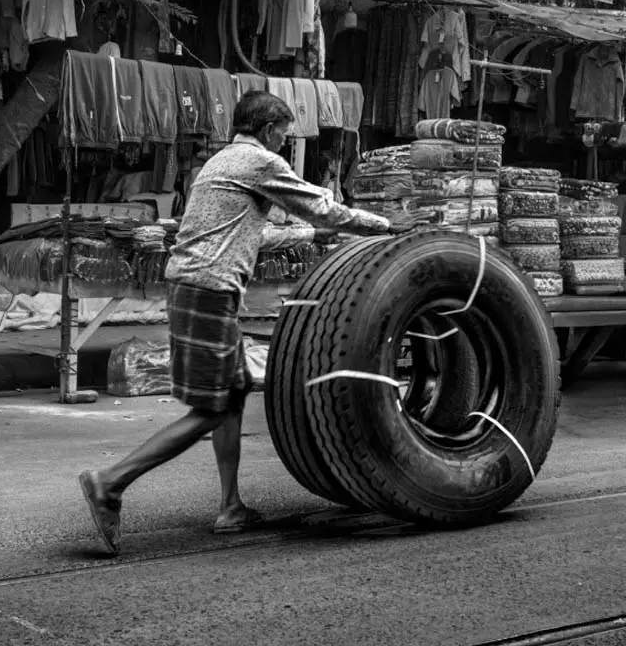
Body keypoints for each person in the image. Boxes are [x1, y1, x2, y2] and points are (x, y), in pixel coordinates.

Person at [78, 91, 430, 555]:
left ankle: (230, 506)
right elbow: (320, 205)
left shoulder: (221, 161)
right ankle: (110, 482)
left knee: (235, 389)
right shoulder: (259, 162)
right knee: (212, 407)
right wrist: (385, 226)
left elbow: (250, 232)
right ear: (267, 130)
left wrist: (312, 233)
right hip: (208, 288)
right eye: (283, 135)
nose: (284, 143)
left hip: (195, 285)